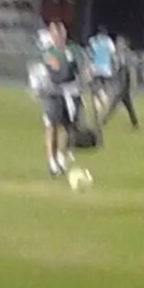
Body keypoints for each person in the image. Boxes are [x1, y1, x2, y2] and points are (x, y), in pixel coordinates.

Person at [40, 22, 83, 176]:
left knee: (70, 128)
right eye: (55, 33)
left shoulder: (72, 51)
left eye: (61, 32)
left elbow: (79, 71)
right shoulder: (48, 52)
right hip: (53, 92)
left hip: (71, 93)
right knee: (52, 126)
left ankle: (61, 157)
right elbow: (47, 72)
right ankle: (52, 162)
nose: (58, 36)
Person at [102, 35, 139, 129]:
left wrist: (132, 83)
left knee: (115, 102)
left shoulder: (127, 54)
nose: (119, 44)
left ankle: (105, 120)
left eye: (121, 42)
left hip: (124, 81)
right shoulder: (117, 54)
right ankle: (135, 123)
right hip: (121, 80)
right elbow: (115, 67)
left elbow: (130, 69)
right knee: (128, 104)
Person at [88, 26, 115, 114]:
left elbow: (90, 53)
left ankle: (98, 104)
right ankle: (103, 99)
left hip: (95, 67)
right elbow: (112, 52)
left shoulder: (92, 40)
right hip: (106, 67)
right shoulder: (108, 40)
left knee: (95, 86)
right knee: (104, 85)